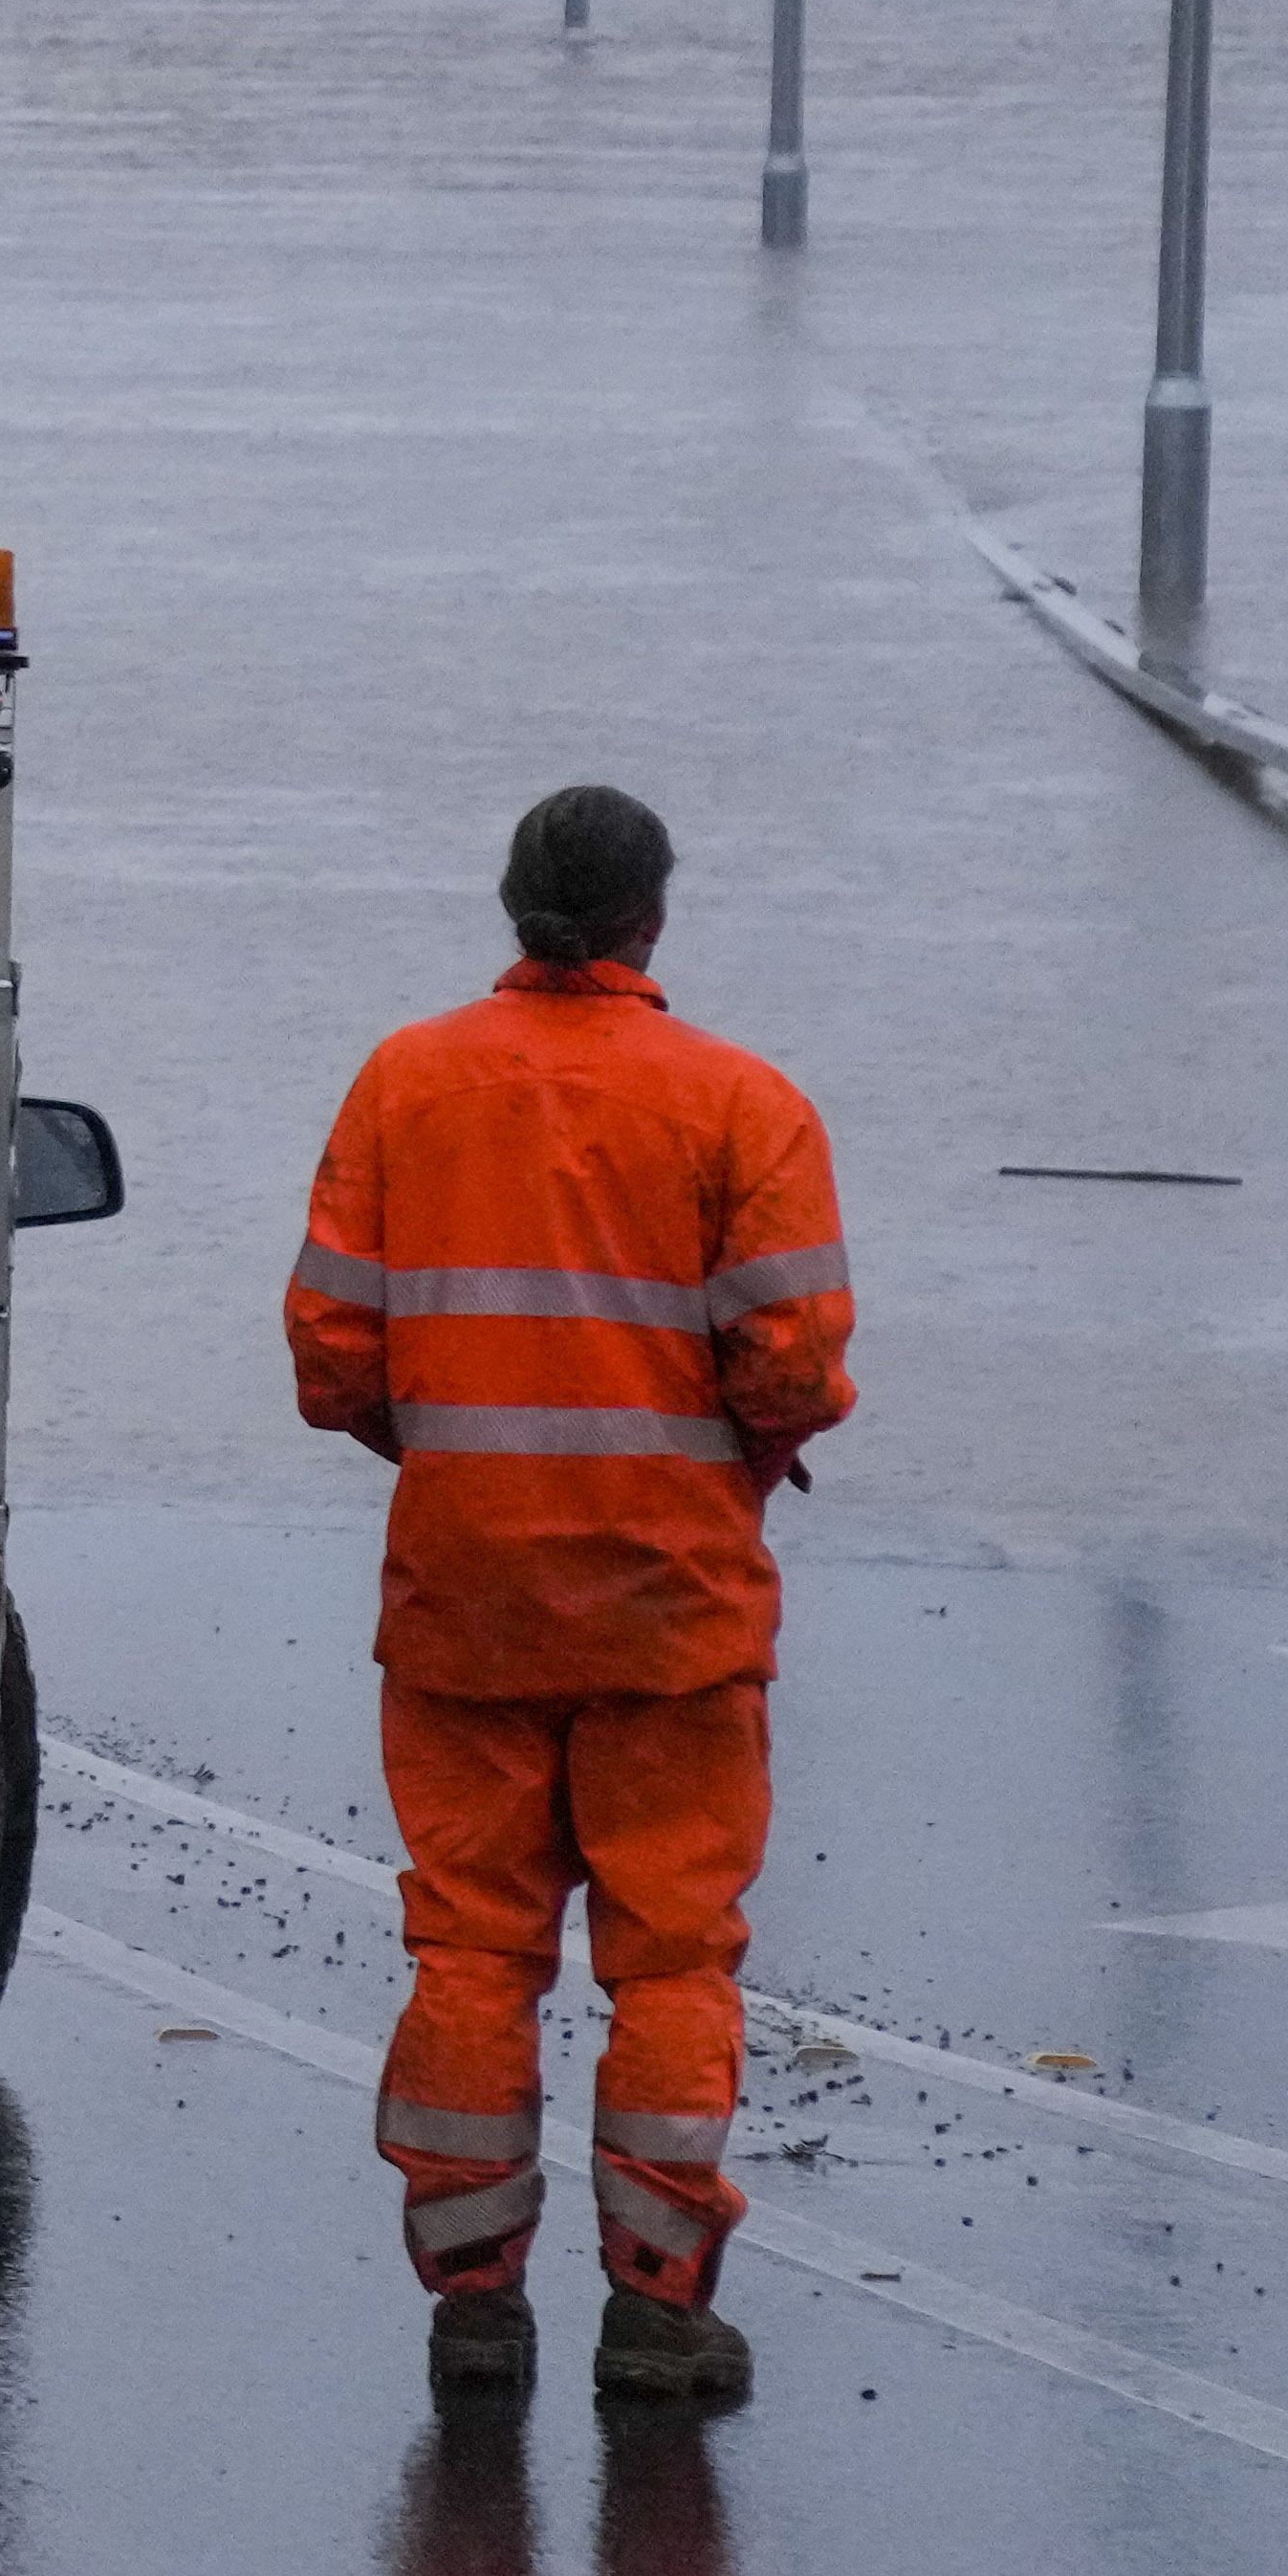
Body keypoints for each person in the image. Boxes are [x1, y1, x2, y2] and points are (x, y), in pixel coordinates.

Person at [289, 782, 853, 2416]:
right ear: (651, 921)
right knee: (672, 1963)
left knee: (471, 1950)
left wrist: (453, 1450)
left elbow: (331, 1354)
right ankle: (657, 2309)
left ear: (511, 902)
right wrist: (735, 1455)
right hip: (672, 1614)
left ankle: (474, 2309)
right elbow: (793, 1365)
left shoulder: (406, 1083)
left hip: (463, 1599)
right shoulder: (742, 1106)